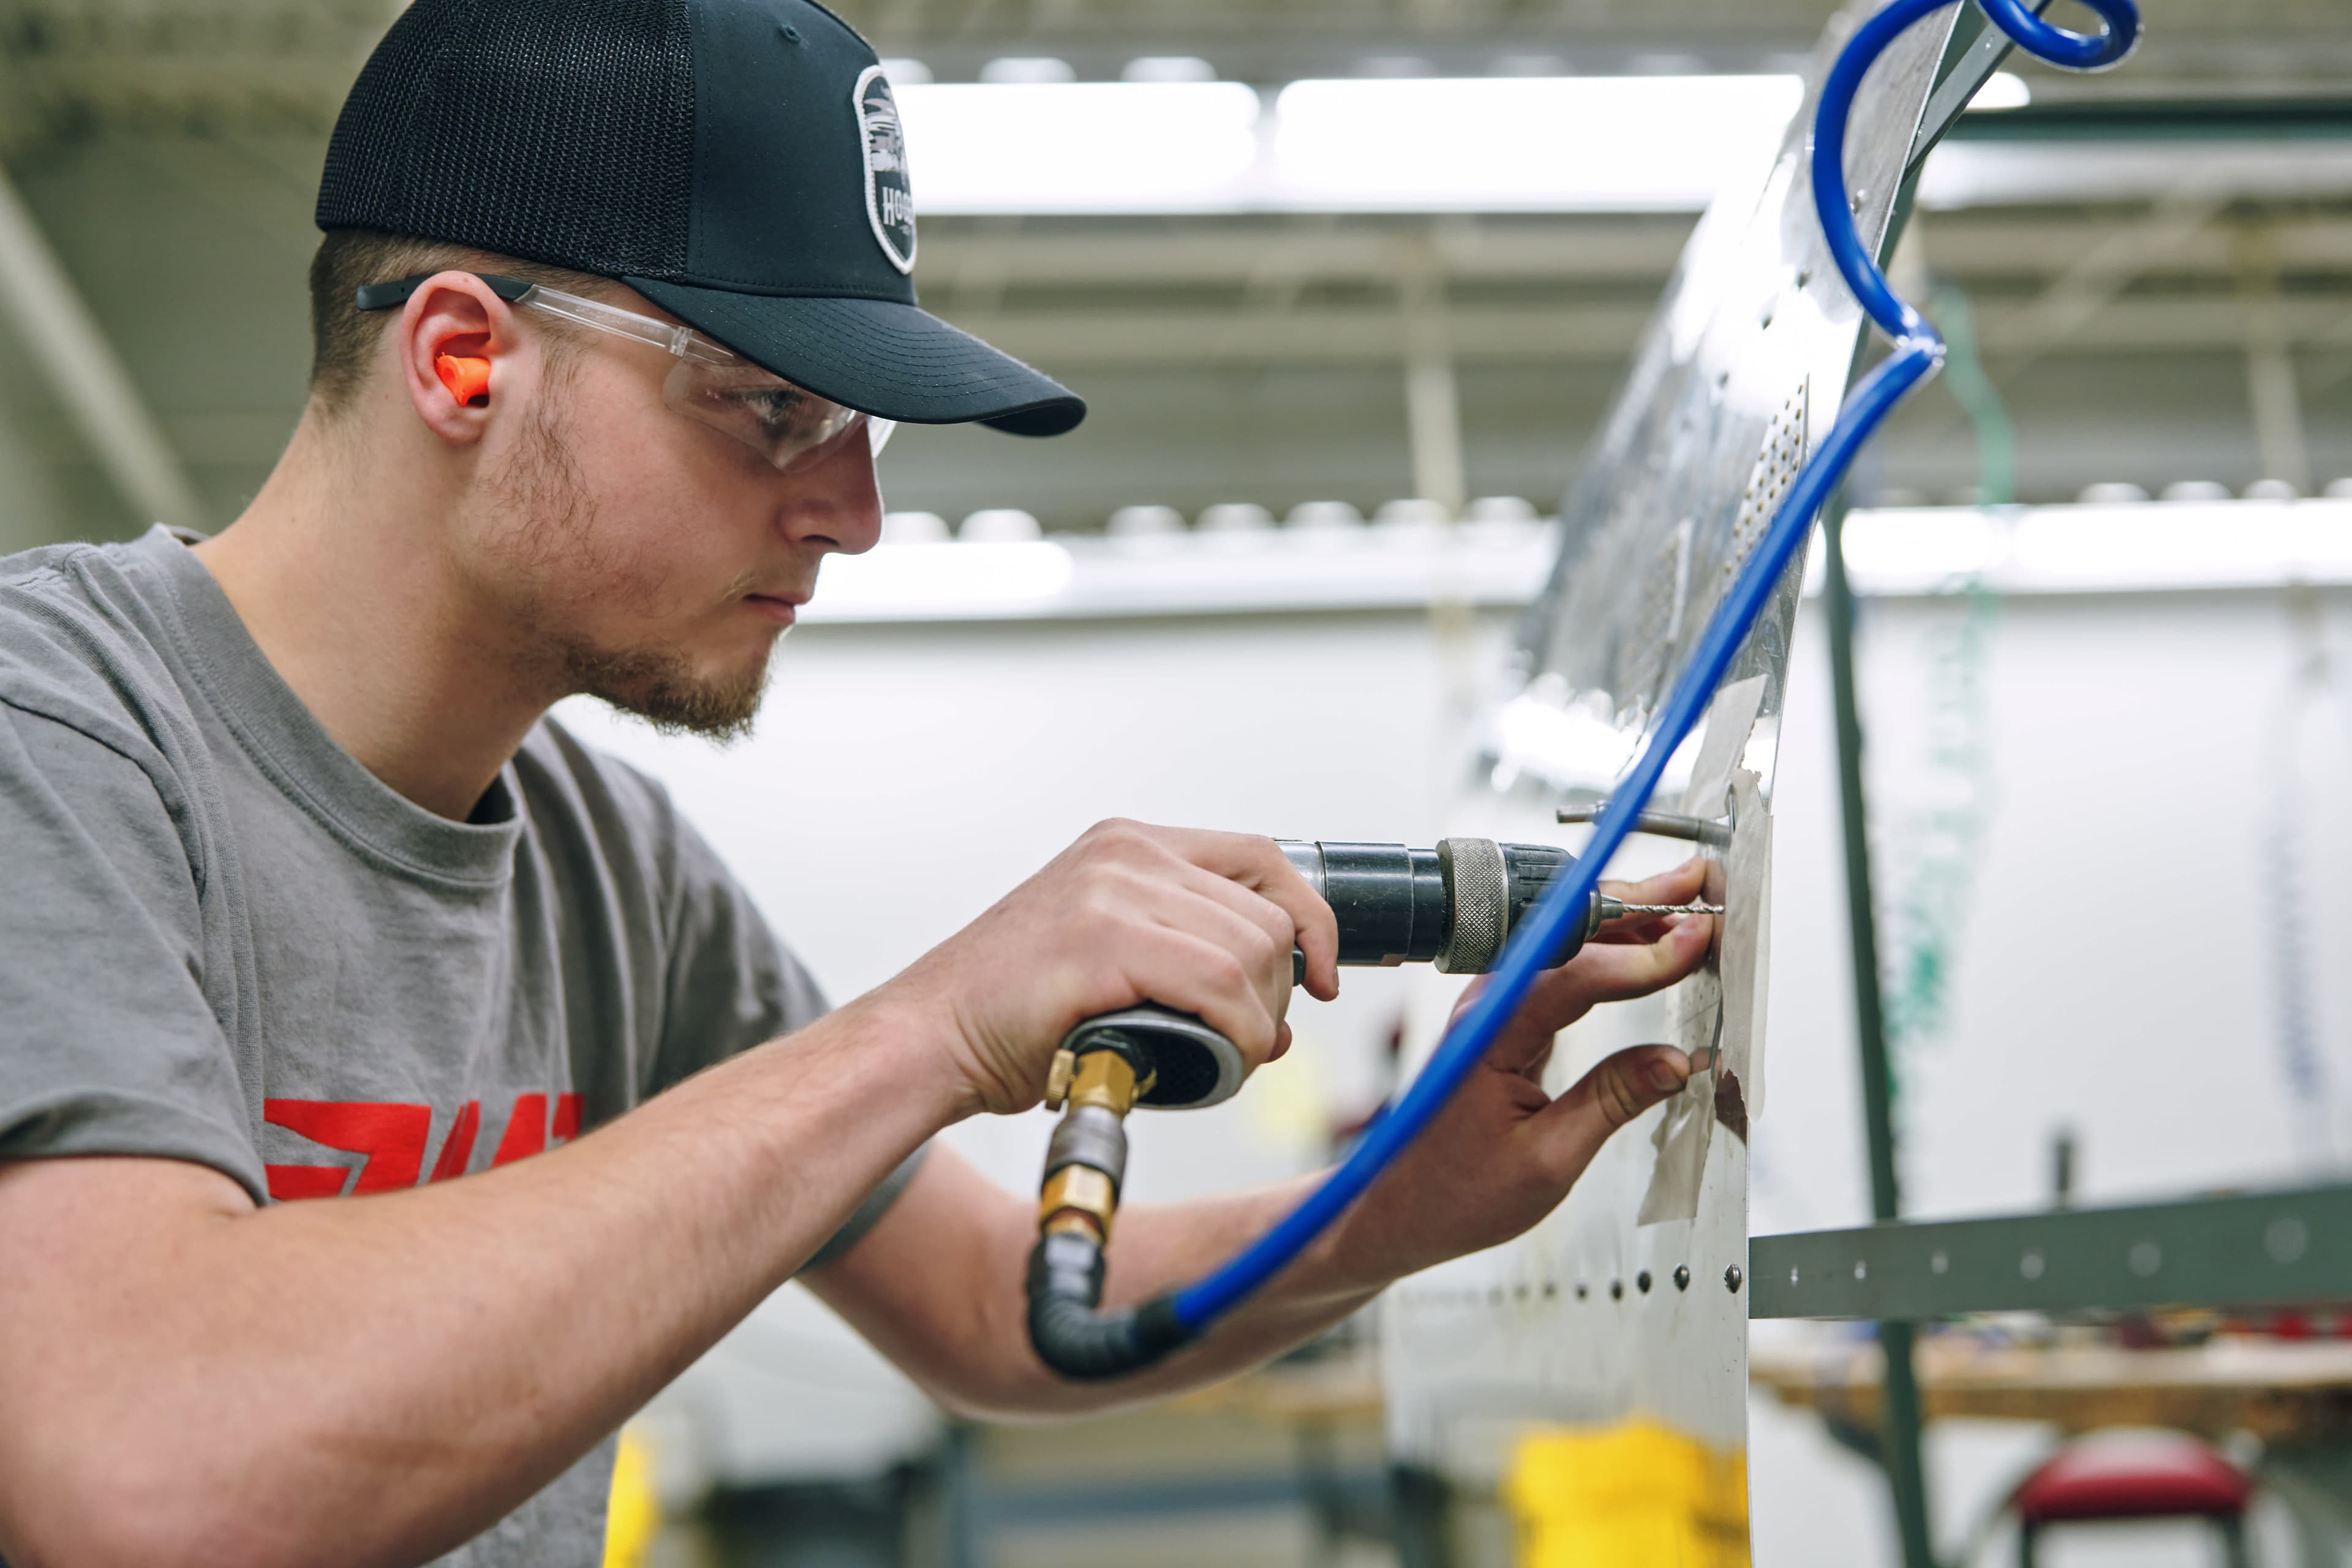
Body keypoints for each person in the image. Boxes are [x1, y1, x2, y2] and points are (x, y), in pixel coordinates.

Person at [0, 1, 1715, 1563]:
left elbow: (992, 1303)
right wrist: (927, 1031)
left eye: (863, 434)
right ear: (463, 359)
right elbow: (154, 1471)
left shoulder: (609, 870)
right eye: (766, 409)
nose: (855, 514)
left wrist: (1385, 1207)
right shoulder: (56, 739)